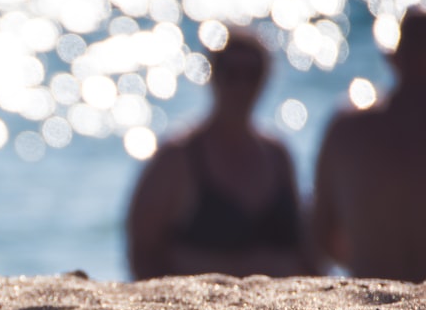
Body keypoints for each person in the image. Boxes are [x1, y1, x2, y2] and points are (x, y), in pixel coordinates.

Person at [126, 29, 316, 280]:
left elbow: (306, 251)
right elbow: (142, 253)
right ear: (213, 75)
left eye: (252, 74)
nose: (242, 85)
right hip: (196, 307)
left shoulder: (277, 155)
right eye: (232, 73)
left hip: (279, 308)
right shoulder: (178, 158)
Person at [313, 9, 426, 282]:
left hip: (369, 295)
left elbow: (320, 237)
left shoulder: (348, 130)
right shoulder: (349, 130)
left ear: (395, 59)